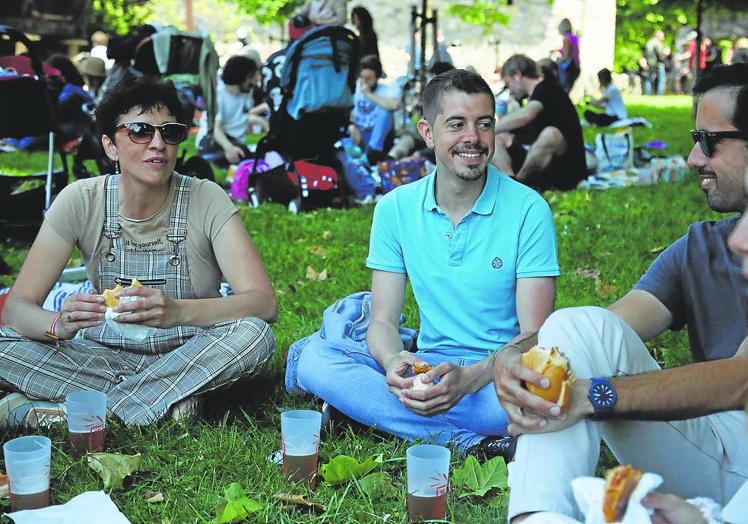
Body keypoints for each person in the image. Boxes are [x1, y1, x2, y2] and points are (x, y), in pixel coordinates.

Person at [492, 63, 748, 522]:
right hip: (718, 449)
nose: (692, 158)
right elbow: (597, 331)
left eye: (708, 141)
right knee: (571, 324)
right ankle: (539, 515)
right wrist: (514, 358)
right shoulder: (703, 247)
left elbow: (740, 380)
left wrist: (595, 395)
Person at [289, 68, 559, 460]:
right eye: (457, 125)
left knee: (552, 392)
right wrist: (394, 360)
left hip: (499, 375)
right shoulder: (395, 208)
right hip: (428, 366)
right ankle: (472, 442)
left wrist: (469, 380)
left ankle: (374, 415)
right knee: (316, 360)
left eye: (484, 125)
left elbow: (536, 333)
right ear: (428, 133)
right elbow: (382, 321)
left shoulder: (529, 209)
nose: (473, 138)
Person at [0, 75, 278, 427]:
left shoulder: (206, 197)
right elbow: (17, 308)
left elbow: (264, 303)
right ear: (110, 146)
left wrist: (176, 311)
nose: (157, 144)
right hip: (100, 356)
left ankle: (88, 413)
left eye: (170, 132)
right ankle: (169, 401)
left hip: (192, 351)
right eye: (140, 131)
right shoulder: (80, 200)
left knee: (253, 336)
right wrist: (57, 323)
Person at [491, 54, 587, 192]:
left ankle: (518, 187)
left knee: (551, 135)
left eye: (508, 84)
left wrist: (490, 128)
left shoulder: (547, 87)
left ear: (517, 75)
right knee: (498, 137)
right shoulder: (533, 97)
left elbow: (526, 115)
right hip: (542, 169)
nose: (510, 91)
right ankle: (511, 182)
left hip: (566, 171)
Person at [195, 55, 268, 165]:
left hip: (235, 141)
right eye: (251, 76)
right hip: (212, 142)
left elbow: (241, 117)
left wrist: (262, 122)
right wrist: (229, 148)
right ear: (241, 77)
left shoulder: (246, 91)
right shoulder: (219, 95)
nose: (255, 80)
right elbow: (216, 129)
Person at [349, 54, 401, 164]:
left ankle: (372, 155)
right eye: (362, 78)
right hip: (357, 133)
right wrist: (351, 125)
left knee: (385, 112)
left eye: (369, 79)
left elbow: (394, 105)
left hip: (376, 136)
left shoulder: (387, 88)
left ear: (377, 77)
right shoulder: (355, 85)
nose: (365, 82)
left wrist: (368, 94)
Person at [556, 18, 580, 93]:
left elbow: (566, 56)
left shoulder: (566, 39)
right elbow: (573, 50)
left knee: (562, 91)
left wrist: (557, 62)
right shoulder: (574, 37)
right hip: (576, 67)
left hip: (570, 69)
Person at [644, 30, 666, 95]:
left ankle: (647, 93)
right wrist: (664, 54)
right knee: (662, 78)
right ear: (658, 35)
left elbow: (646, 53)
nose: (663, 37)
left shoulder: (649, 42)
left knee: (649, 78)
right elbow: (660, 54)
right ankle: (660, 94)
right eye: (662, 35)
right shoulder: (657, 43)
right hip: (658, 63)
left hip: (650, 62)